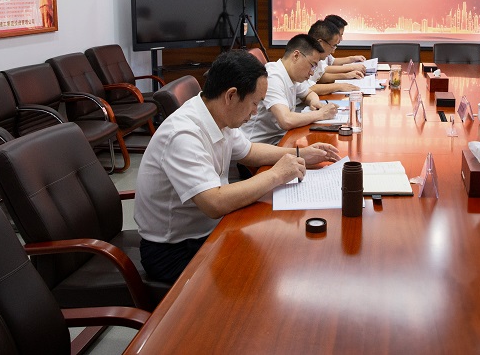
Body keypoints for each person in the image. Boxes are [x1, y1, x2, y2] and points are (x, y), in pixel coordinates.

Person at [134, 50, 340, 282]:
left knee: (282, 249)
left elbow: (249, 152)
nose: (255, 112)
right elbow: (215, 202)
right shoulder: (183, 134)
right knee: (262, 274)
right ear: (231, 96)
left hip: (210, 230)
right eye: (254, 103)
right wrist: (276, 175)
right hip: (174, 250)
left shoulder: (217, 113)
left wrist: (301, 153)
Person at [241, 34, 338, 144]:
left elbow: (309, 93)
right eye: (312, 65)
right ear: (296, 56)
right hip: (260, 146)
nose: (312, 72)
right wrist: (321, 114)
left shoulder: (292, 74)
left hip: (281, 138)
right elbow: (286, 120)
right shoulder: (272, 77)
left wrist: (314, 102)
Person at [304, 19, 360, 95]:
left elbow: (319, 77)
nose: (333, 51)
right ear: (320, 43)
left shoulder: (317, 59)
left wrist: (346, 76)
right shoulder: (303, 58)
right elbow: (307, 88)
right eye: (333, 46)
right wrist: (338, 86)